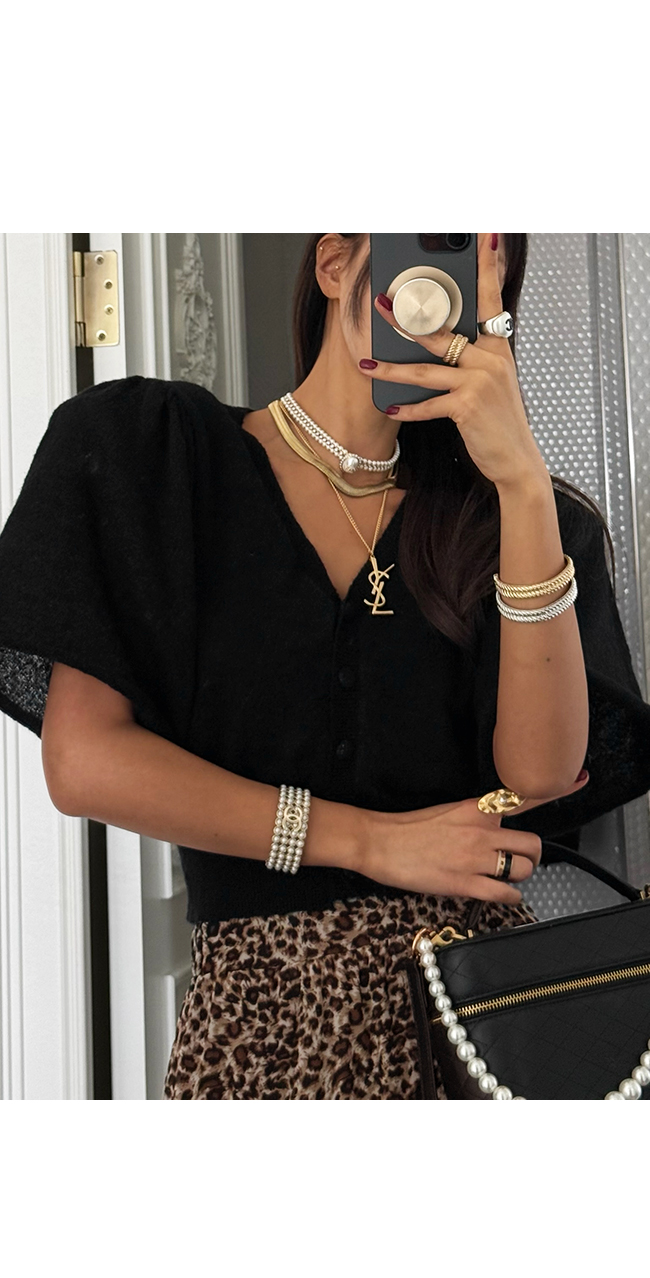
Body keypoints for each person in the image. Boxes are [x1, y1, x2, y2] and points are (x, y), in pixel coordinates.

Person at [1, 232, 649, 1100]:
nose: (441, 292)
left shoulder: (520, 522)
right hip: (260, 1025)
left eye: (479, 268)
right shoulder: (158, 456)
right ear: (336, 263)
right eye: (432, 242)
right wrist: (371, 842)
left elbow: (539, 774)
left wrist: (522, 482)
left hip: (478, 1026)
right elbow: (84, 763)